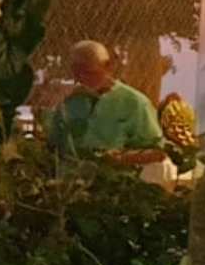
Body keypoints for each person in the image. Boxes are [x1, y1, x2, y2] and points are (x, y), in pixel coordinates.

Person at [48, 41, 167, 170]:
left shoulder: (135, 103)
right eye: (76, 74)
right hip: (70, 179)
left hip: (118, 178)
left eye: (89, 73)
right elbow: (53, 146)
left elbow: (158, 152)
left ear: (108, 67)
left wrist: (122, 158)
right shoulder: (69, 102)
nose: (81, 79)